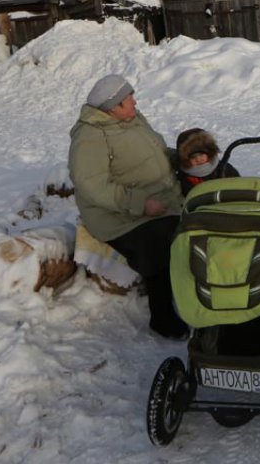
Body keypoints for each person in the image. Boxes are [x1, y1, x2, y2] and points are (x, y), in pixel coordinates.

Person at [68, 74, 187, 339]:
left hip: (159, 197)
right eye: (128, 98)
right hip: (118, 215)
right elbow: (93, 186)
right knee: (162, 242)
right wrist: (139, 204)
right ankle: (162, 317)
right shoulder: (90, 137)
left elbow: (155, 153)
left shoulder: (131, 119)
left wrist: (184, 159)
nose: (134, 100)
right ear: (112, 108)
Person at [175, 128, 240, 196]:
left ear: (209, 153)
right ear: (186, 160)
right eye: (193, 157)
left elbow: (238, 184)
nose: (198, 159)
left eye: (201, 154)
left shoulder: (223, 167)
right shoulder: (186, 177)